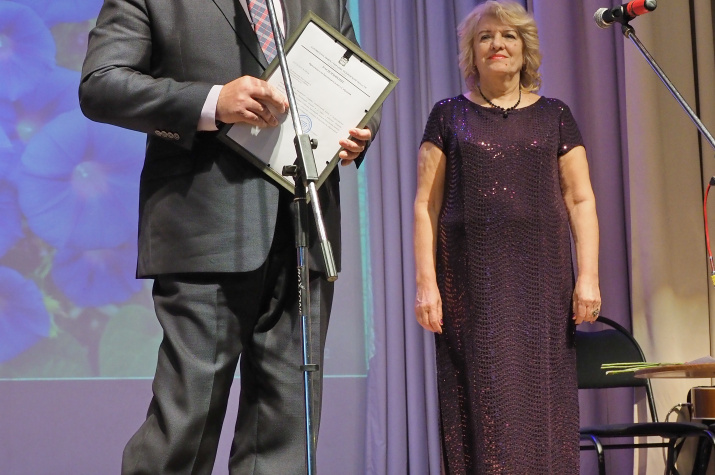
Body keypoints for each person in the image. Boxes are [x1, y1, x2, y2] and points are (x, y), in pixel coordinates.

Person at [79, 1, 379, 474]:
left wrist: (361, 128)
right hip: (205, 226)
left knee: (285, 433)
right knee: (185, 425)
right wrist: (211, 101)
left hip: (304, 226)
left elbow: (356, 81)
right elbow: (101, 84)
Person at [413, 1, 600, 473]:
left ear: (525, 49)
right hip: (471, 285)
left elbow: (581, 200)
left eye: (509, 35)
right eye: (485, 37)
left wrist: (588, 278)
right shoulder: (447, 116)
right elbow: (426, 206)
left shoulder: (556, 115)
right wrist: (426, 285)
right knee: (487, 403)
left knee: (542, 404)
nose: (497, 44)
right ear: (471, 53)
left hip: (544, 284)